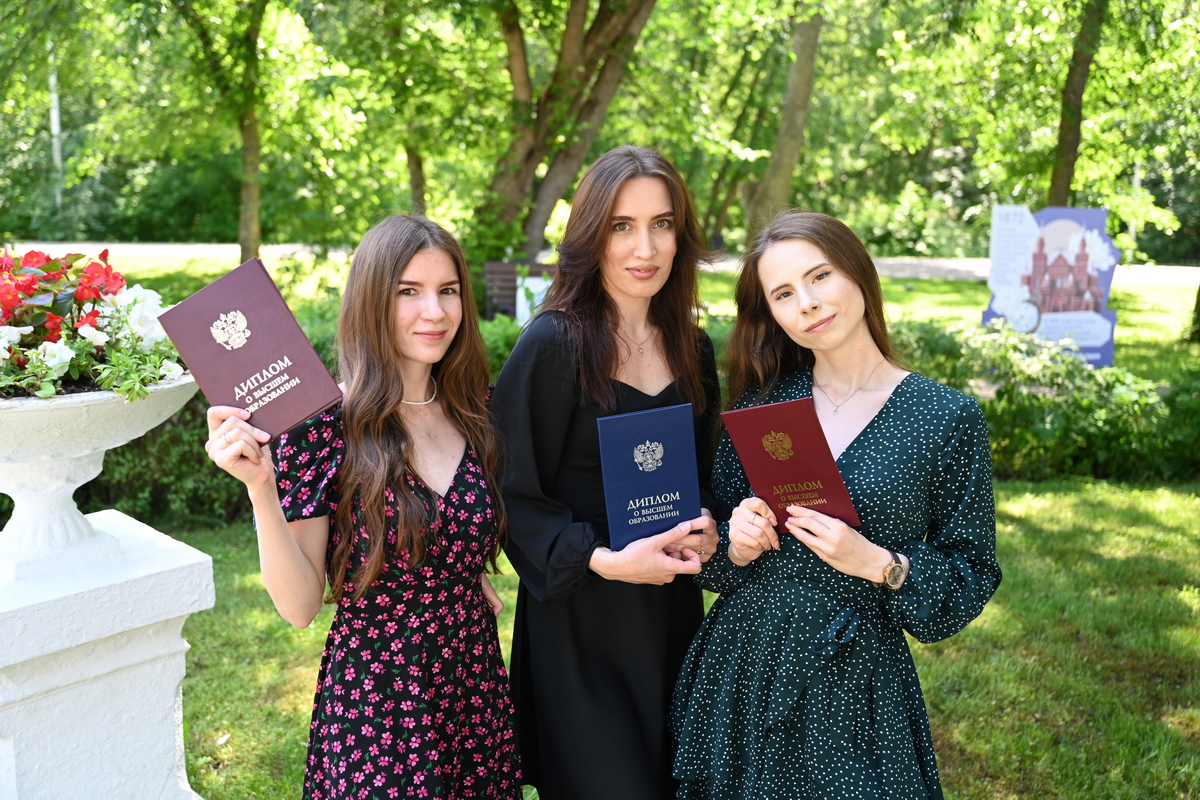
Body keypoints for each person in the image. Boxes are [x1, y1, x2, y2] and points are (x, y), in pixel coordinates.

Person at [671, 211, 1002, 799]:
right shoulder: (762, 409)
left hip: (856, 677)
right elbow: (710, 554)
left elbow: (971, 573)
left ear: (857, 272)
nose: (807, 303)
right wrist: (735, 544)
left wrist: (879, 563)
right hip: (746, 664)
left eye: (819, 276)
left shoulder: (945, 417)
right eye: (783, 294)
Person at [205, 215, 521, 800]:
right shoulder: (323, 425)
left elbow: (459, 525)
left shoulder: (480, 410)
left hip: (472, 689)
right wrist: (260, 490)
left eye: (448, 290)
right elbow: (299, 607)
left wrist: (459, 566)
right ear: (373, 300)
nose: (435, 311)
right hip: (379, 704)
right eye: (409, 291)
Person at [490, 145, 730, 800]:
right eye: (622, 225)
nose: (644, 248)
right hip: (581, 622)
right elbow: (509, 492)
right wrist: (602, 560)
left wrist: (708, 524)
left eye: (662, 224)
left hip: (669, 615)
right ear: (591, 234)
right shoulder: (553, 343)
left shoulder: (693, 347)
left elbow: (703, 474)